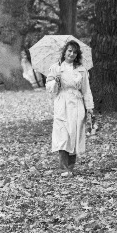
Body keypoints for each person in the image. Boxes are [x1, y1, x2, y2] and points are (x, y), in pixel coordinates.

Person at [46, 41, 94, 176]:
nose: (71, 54)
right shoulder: (55, 68)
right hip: (62, 103)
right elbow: (50, 89)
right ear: (64, 52)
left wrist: (89, 107)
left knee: (74, 134)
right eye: (69, 51)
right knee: (62, 135)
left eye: (74, 52)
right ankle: (63, 167)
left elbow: (86, 90)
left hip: (77, 104)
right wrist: (55, 81)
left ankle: (71, 167)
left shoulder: (81, 70)